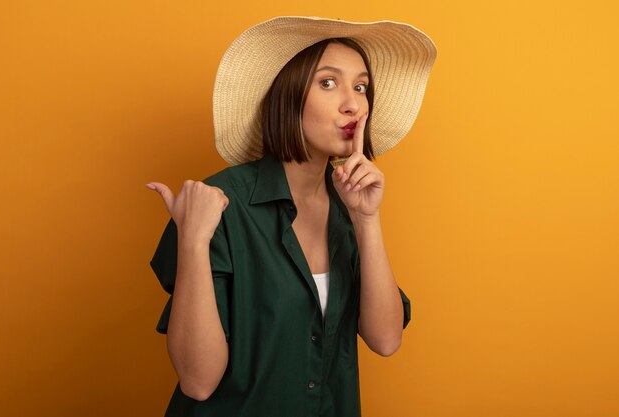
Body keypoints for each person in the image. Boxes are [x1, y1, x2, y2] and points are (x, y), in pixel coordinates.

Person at [146, 16, 436, 417]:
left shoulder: (348, 205)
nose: (352, 102)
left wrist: (366, 220)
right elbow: (198, 381)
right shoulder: (219, 203)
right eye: (328, 82)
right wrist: (193, 242)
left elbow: (385, 340)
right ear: (287, 95)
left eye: (361, 86)